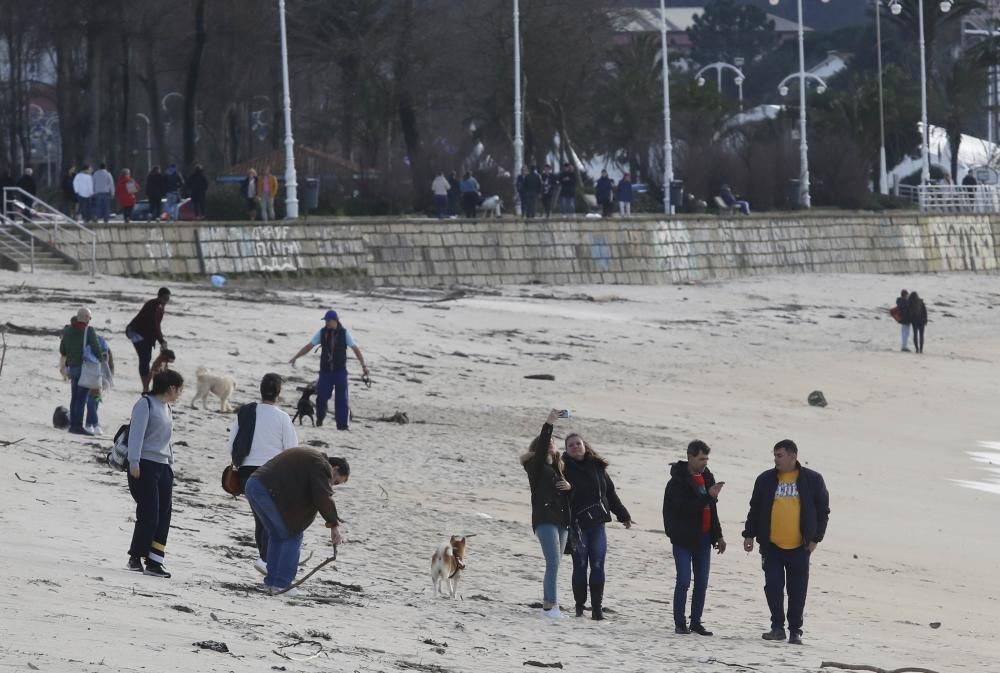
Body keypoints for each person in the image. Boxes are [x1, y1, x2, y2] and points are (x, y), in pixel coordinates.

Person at [743, 439, 830, 646]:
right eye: (774, 455)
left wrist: (816, 539)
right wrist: (749, 534)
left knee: (797, 590)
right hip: (771, 546)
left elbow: (823, 512)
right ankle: (777, 628)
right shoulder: (765, 479)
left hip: (800, 547)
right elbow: (755, 509)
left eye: (779, 455)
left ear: (793, 456)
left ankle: (795, 631)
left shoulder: (812, 479)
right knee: (773, 587)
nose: (776, 459)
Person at [244, 449, 349, 595]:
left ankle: (271, 583)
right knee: (293, 535)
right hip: (265, 490)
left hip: (253, 484)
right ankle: (283, 585)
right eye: (336, 481)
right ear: (335, 468)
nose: (332, 484)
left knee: (277, 535)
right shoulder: (321, 465)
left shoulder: (312, 458)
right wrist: (333, 525)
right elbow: (322, 497)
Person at [229, 373, 299, 575]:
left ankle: (266, 559)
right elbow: (291, 451)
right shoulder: (283, 418)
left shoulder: (246, 413)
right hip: (272, 474)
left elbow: (231, 445)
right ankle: (267, 560)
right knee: (271, 521)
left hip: (246, 474)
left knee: (260, 518)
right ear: (279, 393)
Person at [562, 431, 633, 621]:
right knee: (580, 565)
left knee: (598, 565)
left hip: (597, 524)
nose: (575, 447)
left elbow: (610, 493)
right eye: (571, 445)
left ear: (584, 446)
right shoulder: (562, 469)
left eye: (578, 444)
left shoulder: (597, 467)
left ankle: (597, 610)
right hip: (577, 525)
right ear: (566, 451)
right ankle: (579, 607)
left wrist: (623, 514)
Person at [125, 369, 185, 578]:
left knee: (164, 513)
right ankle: (135, 556)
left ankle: (154, 561)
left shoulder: (167, 408)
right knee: (149, 512)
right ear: (171, 388)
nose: (180, 393)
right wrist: (134, 461)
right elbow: (136, 434)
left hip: (163, 466)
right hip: (144, 464)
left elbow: (166, 440)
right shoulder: (145, 404)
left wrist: (170, 462)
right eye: (180, 389)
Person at [663, 440, 726, 636]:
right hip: (683, 538)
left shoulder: (707, 477)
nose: (704, 463)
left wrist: (719, 536)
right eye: (701, 459)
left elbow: (711, 510)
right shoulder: (677, 481)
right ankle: (679, 622)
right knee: (683, 580)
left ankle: (696, 622)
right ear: (690, 457)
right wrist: (709, 496)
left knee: (701, 583)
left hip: (704, 538)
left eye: (706, 458)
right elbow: (684, 509)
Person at [521, 409, 572, 619]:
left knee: (556, 565)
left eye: (553, 441)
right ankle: (550, 607)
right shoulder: (535, 465)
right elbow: (543, 445)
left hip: (561, 520)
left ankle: (552, 605)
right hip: (545, 519)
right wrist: (550, 422)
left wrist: (570, 487)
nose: (551, 443)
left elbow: (567, 496)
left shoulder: (558, 467)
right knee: (552, 563)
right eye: (547, 441)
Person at [289, 310, 370, 430]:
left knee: (341, 400)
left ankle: (342, 426)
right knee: (321, 397)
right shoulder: (321, 333)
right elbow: (309, 346)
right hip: (325, 372)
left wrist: (364, 366)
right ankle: (320, 419)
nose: (326, 323)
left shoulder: (344, 333)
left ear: (335, 320)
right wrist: (296, 357)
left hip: (340, 372)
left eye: (328, 321)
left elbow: (356, 350)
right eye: (325, 321)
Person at [59, 308, 106, 436]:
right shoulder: (88, 331)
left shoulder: (67, 331)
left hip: (72, 368)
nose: (90, 320)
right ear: (85, 318)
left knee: (74, 398)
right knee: (81, 399)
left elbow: (62, 350)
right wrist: (101, 361)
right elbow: (96, 347)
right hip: (84, 369)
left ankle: (73, 424)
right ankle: (77, 426)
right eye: (89, 318)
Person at [127, 287, 171, 393]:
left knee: (147, 357)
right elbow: (153, 324)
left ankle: (146, 385)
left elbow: (157, 326)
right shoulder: (154, 305)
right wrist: (161, 341)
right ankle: (145, 387)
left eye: (168, 299)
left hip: (145, 334)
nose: (166, 301)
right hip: (135, 331)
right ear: (159, 297)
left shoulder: (161, 307)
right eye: (165, 298)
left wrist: (162, 340)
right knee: (145, 357)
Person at [85, 331, 114, 436]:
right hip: (101, 375)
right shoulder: (103, 344)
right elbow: (109, 362)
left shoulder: (88, 344)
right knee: (94, 400)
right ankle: (92, 424)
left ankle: (92, 424)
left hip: (91, 373)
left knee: (92, 400)